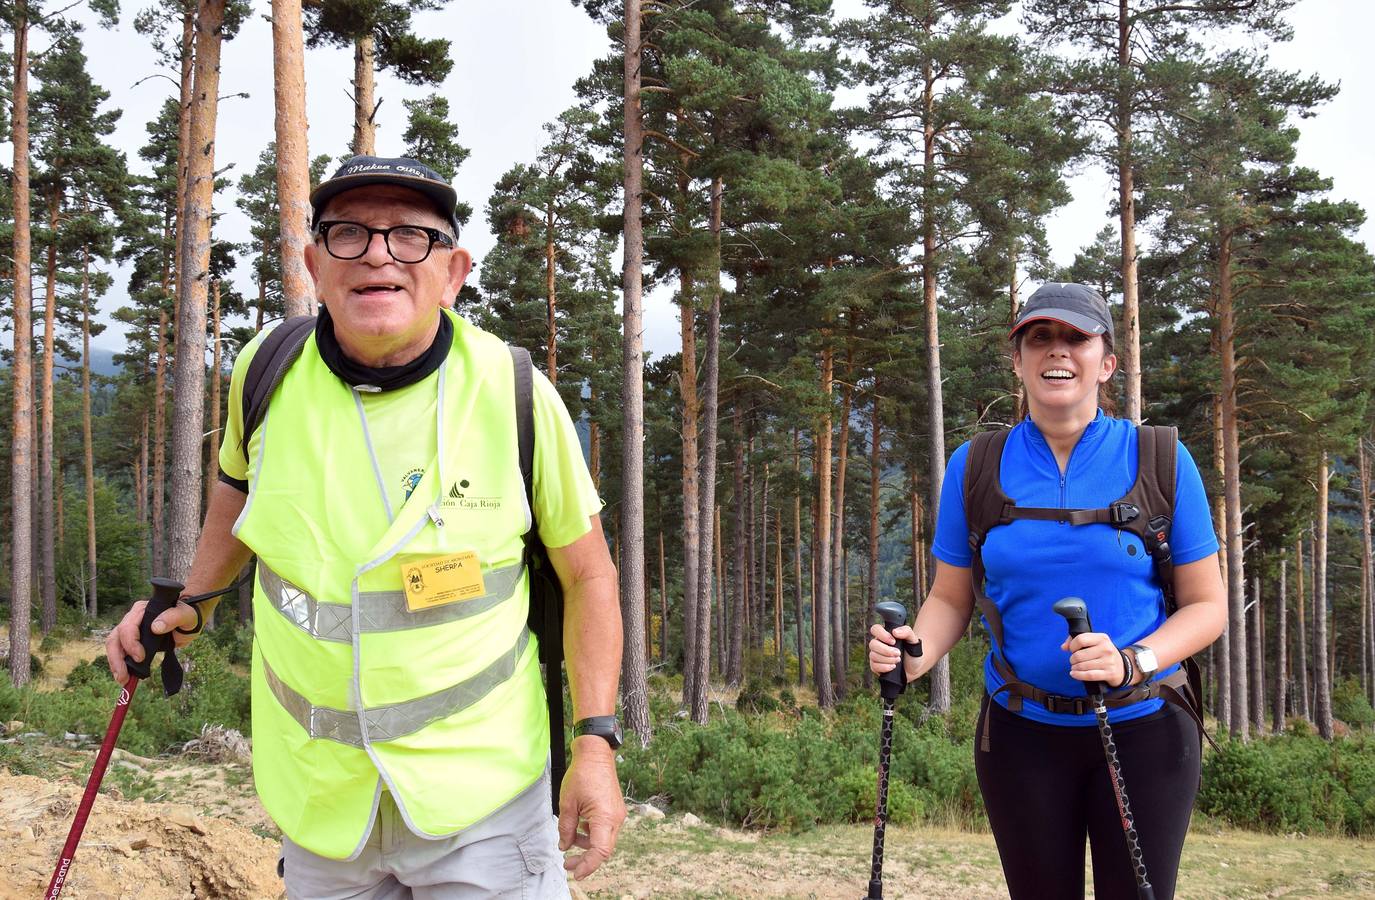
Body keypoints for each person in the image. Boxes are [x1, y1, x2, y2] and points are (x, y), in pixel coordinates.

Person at [107, 155, 626, 899]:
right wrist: (193, 601)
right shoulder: (266, 372)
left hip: (481, 800)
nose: (379, 252)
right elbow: (235, 493)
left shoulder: (512, 393)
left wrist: (595, 744)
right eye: (349, 233)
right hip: (321, 800)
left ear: (453, 272)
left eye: (411, 235)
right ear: (317, 266)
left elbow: (589, 574)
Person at [869, 283, 1226, 900]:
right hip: (1021, 736)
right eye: (1039, 338)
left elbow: (1207, 606)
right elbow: (951, 599)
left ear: (1106, 363)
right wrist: (913, 654)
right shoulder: (976, 465)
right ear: (1018, 362)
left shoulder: (1161, 459)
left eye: (1075, 338)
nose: (1056, 351)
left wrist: (1131, 661)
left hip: (1144, 731)